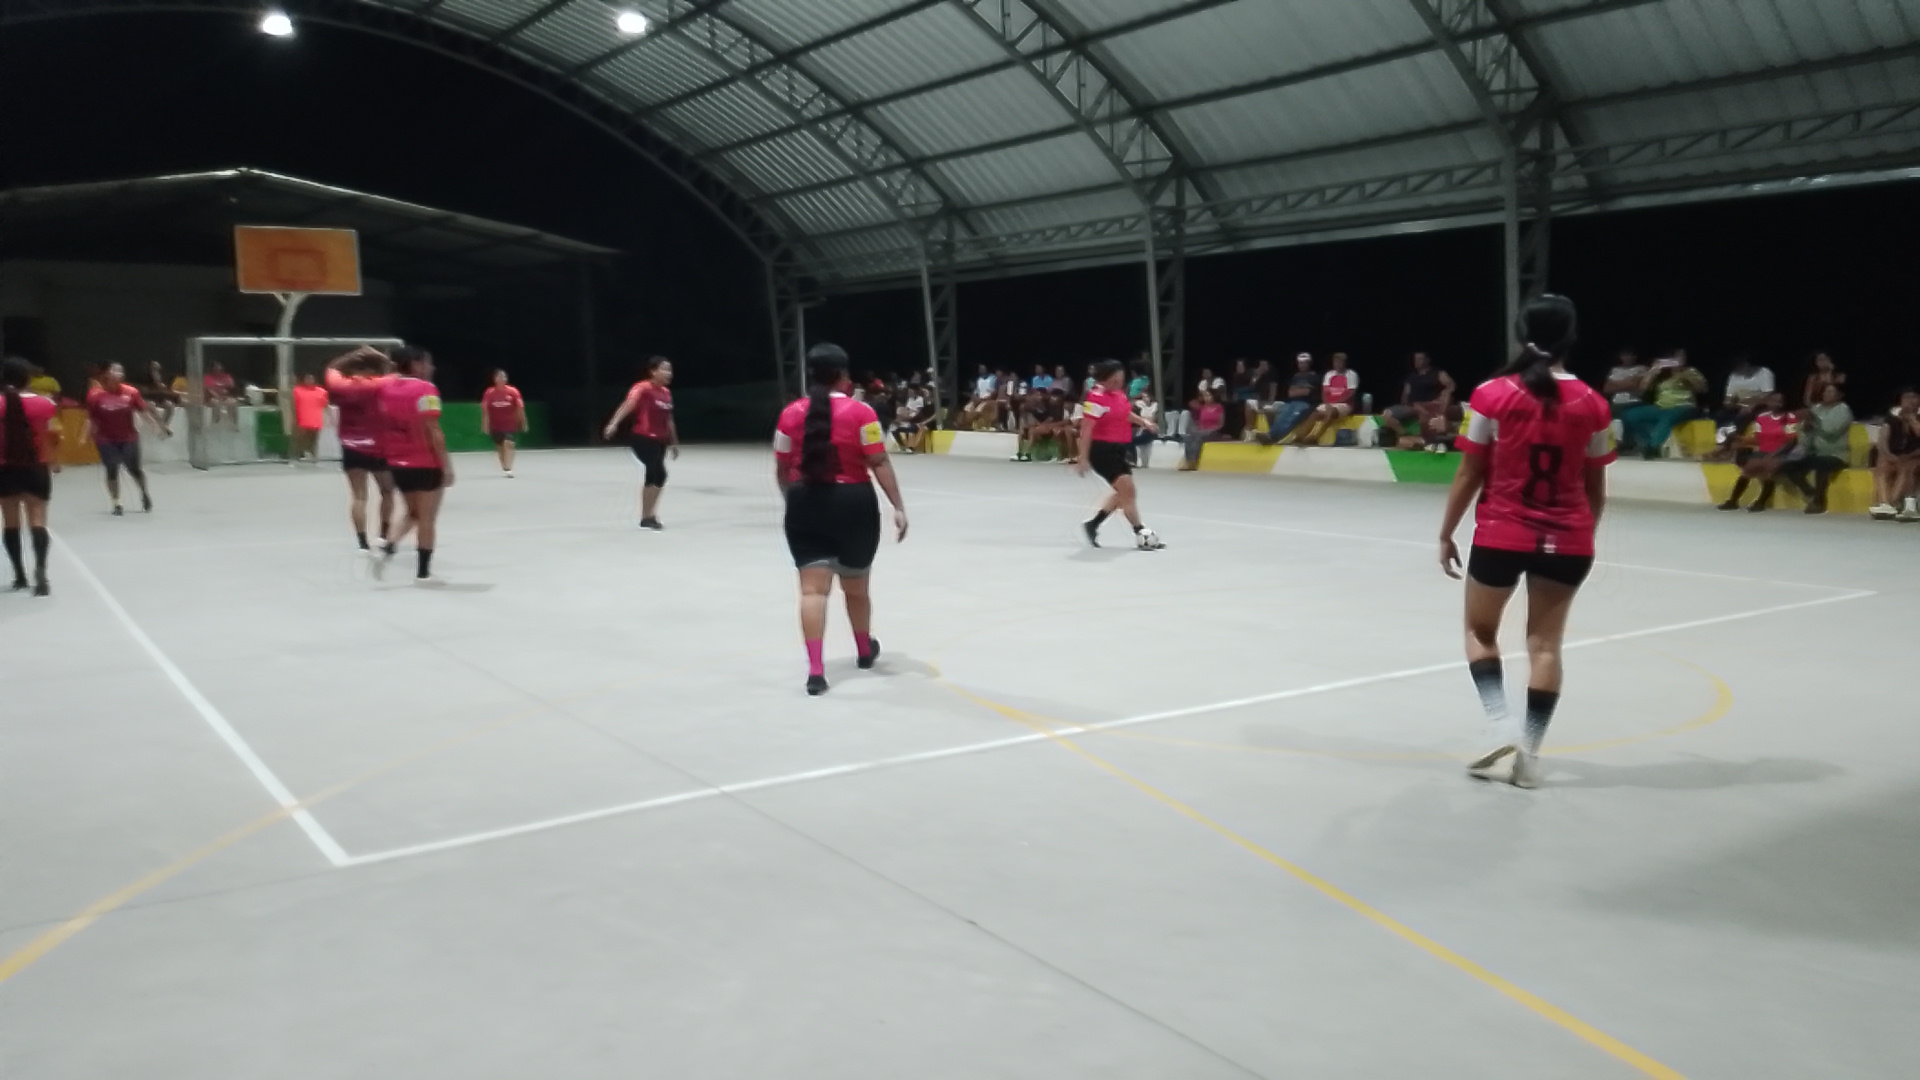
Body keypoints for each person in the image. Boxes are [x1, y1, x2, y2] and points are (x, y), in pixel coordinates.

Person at [1439, 294, 1613, 790]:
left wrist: (1446, 532)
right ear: (1570, 338)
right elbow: (1595, 486)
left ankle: (1500, 725)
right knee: (1545, 646)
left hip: (1502, 533)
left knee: (1480, 631)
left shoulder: (1492, 394)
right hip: (1569, 538)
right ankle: (1530, 756)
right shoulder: (1594, 404)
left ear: (1521, 335)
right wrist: (1582, 536)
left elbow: (1470, 471)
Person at [773, 343, 909, 697]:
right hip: (853, 504)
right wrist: (897, 505)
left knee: (812, 591)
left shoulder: (790, 414)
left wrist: (794, 500)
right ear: (844, 375)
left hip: (805, 500)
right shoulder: (862, 413)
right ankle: (864, 650)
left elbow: (782, 467)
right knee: (856, 587)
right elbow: (878, 461)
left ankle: (816, 672)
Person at [377, 347, 453, 584]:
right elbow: (433, 429)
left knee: (413, 512)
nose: (431, 368)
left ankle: (389, 545)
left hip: (397, 461)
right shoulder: (426, 390)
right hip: (425, 461)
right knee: (427, 518)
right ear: (416, 364)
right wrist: (446, 465)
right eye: (427, 363)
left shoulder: (385, 389)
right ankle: (423, 573)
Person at [1078, 359, 1162, 549]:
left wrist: (1144, 422)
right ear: (1104, 378)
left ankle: (1093, 524)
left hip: (1118, 448)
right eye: (1114, 379)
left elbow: (1126, 414)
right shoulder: (1095, 397)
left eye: (1120, 379)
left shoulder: (1119, 394)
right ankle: (1140, 531)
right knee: (1128, 491)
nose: (1118, 383)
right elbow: (1087, 428)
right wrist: (1082, 457)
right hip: (1101, 451)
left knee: (1124, 492)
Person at [325, 346, 398, 553]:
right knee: (387, 491)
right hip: (377, 447)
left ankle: (362, 542)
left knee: (358, 496)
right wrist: (382, 358)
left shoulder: (342, 386)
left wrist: (351, 356)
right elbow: (397, 373)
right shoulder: (381, 384)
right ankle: (383, 535)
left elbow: (332, 368)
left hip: (351, 446)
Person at [1, 357, 61, 596]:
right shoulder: (44, 404)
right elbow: (52, 436)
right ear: (27, 378)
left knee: (10, 522)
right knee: (37, 519)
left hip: (5, 470)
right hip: (36, 468)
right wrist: (54, 461)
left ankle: (19, 574)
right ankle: (41, 571)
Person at [603, 357, 679, 530]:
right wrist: (613, 423)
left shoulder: (666, 393)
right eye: (665, 369)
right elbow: (628, 404)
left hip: (660, 440)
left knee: (658, 476)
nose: (669, 373)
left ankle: (648, 515)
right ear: (653, 371)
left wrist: (674, 442)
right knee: (655, 470)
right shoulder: (642, 388)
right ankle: (647, 516)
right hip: (643, 437)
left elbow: (669, 419)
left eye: (670, 370)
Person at [85, 362, 163, 515]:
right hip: (105, 439)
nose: (118, 374)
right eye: (114, 371)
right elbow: (91, 418)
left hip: (128, 437)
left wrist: (154, 425)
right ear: (107, 375)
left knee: (134, 469)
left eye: (120, 371)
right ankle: (117, 502)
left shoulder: (131, 392)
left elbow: (142, 411)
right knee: (111, 469)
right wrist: (86, 436)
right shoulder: (94, 395)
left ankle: (144, 492)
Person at [1715, 392, 1800, 512]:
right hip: (1763, 451)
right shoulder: (1762, 418)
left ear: (1784, 403)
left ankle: (1761, 502)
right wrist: (1740, 439)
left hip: (1782, 452)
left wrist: (1774, 454)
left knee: (1767, 470)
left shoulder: (1789, 418)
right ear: (1768, 402)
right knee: (1747, 470)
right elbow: (1758, 439)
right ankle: (1733, 501)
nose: (1776, 403)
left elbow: (1791, 441)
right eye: (1773, 400)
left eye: (1779, 401)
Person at [1779, 383, 1854, 514]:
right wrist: (1806, 429)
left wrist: (1814, 420)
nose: (1826, 394)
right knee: (1787, 464)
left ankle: (1819, 502)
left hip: (1836, 454)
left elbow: (1831, 430)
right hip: (1814, 452)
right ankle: (1810, 491)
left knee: (1822, 465)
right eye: (1825, 392)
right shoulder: (1816, 408)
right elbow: (1806, 431)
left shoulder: (1843, 410)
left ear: (1839, 395)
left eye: (1830, 392)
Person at [1620, 351, 1706, 459]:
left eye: (1681, 357)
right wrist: (1652, 371)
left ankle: (1653, 447)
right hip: (1661, 407)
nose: (1677, 360)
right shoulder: (1663, 374)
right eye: (1674, 357)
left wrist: (1685, 374)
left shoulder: (1690, 371)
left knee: (1666, 419)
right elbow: (1642, 389)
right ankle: (1648, 443)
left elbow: (1702, 389)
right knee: (1630, 415)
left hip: (1684, 406)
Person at [1381, 351, 1456, 449]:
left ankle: (1429, 440)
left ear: (1427, 360)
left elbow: (1451, 386)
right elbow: (1405, 393)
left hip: (1430, 405)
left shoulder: (1437, 373)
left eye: (1420, 359)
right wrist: (1404, 405)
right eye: (1415, 359)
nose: (1416, 362)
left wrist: (1442, 397)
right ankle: (1405, 435)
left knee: (1430, 417)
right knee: (1387, 414)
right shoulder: (1411, 376)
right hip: (1413, 406)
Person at [1871, 388, 1920, 521]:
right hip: (1897, 455)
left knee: (1907, 466)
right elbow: (1882, 440)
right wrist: (1888, 455)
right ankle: (1884, 503)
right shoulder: (1892, 417)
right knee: (1882, 464)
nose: (1910, 401)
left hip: (1915, 456)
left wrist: (1912, 420)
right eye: (1906, 398)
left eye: (1914, 397)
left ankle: (1892, 502)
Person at [1712, 353, 1775, 454]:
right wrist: (1729, 403)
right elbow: (1729, 397)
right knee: (1720, 415)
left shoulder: (1764, 373)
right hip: (1739, 406)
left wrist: (1752, 405)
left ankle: (1730, 443)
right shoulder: (1734, 376)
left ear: (1747, 364)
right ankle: (1720, 440)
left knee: (1743, 417)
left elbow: (1768, 395)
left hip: (1759, 406)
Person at [1293, 351, 1359, 446]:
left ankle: (1315, 436)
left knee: (1331, 412)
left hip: (1345, 404)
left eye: (1340, 362)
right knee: (1314, 414)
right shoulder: (1329, 374)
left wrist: (1333, 404)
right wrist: (1327, 404)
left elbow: (1351, 394)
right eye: (1336, 362)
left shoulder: (1351, 375)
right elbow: (1324, 393)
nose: (1338, 364)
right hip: (1329, 403)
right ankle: (1300, 436)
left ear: (1345, 363)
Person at [1257, 353, 1318, 445]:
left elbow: (1306, 392)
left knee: (1291, 418)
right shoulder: (1296, 377)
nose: (1302, 365)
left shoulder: (1314, 376)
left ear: (1309, 363)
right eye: (1300, 363)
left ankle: (1273, 437)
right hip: (1292, 402)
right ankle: (1270, 434)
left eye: (1304, 363)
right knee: (1282, 414)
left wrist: (1298, 390)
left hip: (1306, 403)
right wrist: (1301, 390)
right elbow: (1290, 393)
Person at [481, 369, 526, 477]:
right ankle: (504, 467)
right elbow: (485, 410)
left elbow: (520, 408)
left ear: (506, 379)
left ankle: (508, 468)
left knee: (509, 443)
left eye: (503, 377)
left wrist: (523, 422)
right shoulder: (489, 392)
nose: (501, 379)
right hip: (495, 425)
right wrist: (485, 425)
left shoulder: (513, 392)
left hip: (510, 424)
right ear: (495, 379)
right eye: (499, 377)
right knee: (500, 447)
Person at [1179, 387, 1225, 470]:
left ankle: (1193, 462)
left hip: (1213, 431)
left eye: (1208, 395)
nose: (1207, 397)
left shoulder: (1219, 407)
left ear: (1213, 396)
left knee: (1199, 437)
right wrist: (1200, 398)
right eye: (1205, 395)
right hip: (1202, 430)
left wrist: (1211, 430)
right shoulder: (1202, 408)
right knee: (1189, 437)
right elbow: (1191, 403)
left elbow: (1220, 424)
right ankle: (1187, 461)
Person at [289, 372, 329, 465]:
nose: (309, 381)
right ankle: (295, 457)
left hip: (316, 421)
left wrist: (326, 418)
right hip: (301, 420)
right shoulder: (297, 391)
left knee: (314, 440)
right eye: (307, 379)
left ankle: (313, 456)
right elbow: (293, 405)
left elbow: (325, 405)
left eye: (311, 379)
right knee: (299, 440)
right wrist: (294, 419)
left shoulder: (322, 392)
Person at [1602, 349, 1647, 425]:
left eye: (1631, 355)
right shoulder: (1614, 370)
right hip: (1616, 403)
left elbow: (1635, 385)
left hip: (1634, 402)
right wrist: (1628, 383)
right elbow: (1607, 388)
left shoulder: (1642, 369)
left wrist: (1616, 384)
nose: (1629, 357)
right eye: (1626, 355)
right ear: (1621, 357)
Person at [1131, 390, 1160, 467]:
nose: (1145, 399)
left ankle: (1138, 461)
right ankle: (1138, 461)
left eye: (1146, 397)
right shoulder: (1141, 404)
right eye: (1143, 397)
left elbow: (1153, 418)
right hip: (1143, 428)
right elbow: (1132, 402)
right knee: (1134, 442)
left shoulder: (1154, 405)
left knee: (1134, 441)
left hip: (1151, 428)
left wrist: (1146, 422)